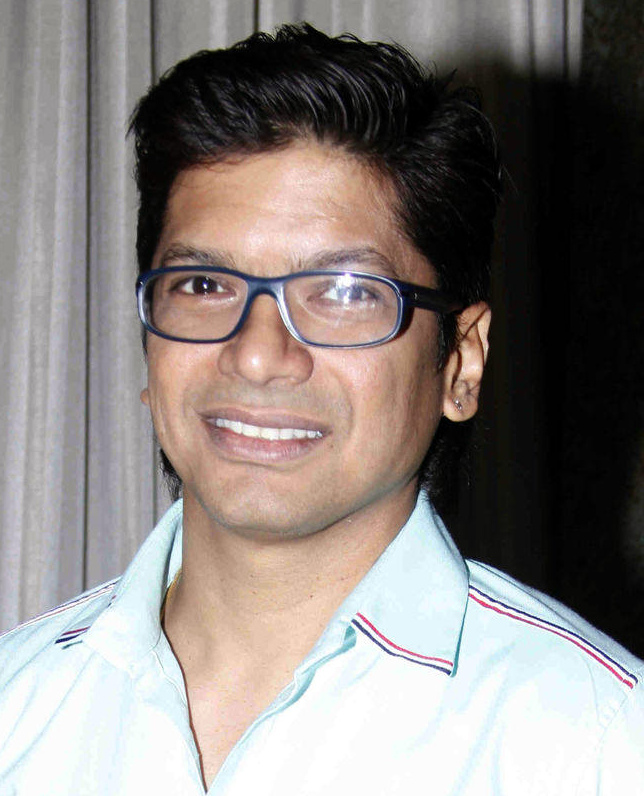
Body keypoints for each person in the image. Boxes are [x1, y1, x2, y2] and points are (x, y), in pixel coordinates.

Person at [0, 23, 642, 795]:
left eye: (344, 293)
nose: (257, 354)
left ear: (461, 364)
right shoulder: (17, 709)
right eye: (204, 285)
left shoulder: (597, 743)